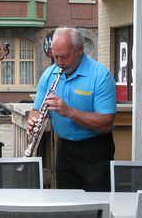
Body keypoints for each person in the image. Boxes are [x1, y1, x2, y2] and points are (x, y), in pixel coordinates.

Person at [27, 27, 116, 191]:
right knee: (68, 205)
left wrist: (69, 112)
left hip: (95, 149)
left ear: (80, 50)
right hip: (64, 148)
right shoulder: (49, 74)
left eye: (64, 57)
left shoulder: (100, 76)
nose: (59, 62)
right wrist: (33, 119)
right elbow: (36, 109)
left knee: (97, 205)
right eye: (56, 57)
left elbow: (106, 123)